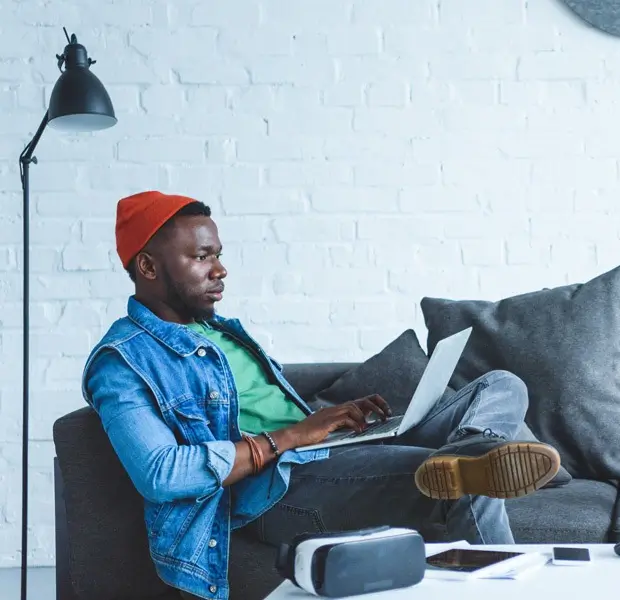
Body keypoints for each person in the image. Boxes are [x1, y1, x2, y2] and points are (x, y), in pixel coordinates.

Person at [81, 191, 568, 600]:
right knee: (466, 483)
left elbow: (263, 408)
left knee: (502, 384)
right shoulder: (122, 363)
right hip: (277, 489)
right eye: (202, 257)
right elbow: (161, 474)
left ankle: (472, 443)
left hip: (323, 452)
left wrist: (326, 418)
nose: (220, 269)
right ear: (147, 265)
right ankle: (467, 468)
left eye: (218, 254)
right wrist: (293, 436)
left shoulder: (218, 331)